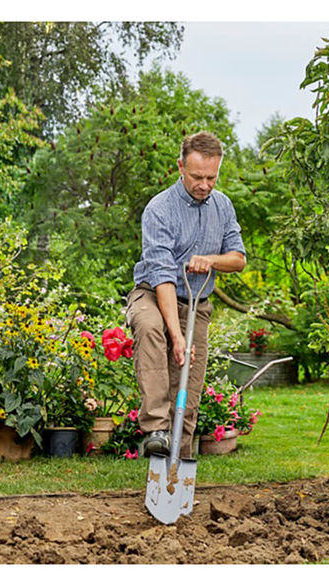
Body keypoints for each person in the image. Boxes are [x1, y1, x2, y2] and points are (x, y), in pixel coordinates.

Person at [125, 131, 246, 458]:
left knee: (188, 389)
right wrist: (176, 337)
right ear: (181, 167)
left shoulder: (223, 207)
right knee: (151, 328)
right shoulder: (159, 209)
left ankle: (176, 466)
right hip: (152, 293)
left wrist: (211, 260)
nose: (204, 184)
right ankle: (156, 429)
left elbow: (238, 259)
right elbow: (162, 276)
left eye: (211, 177)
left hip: (196, 303)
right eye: (196, 177)